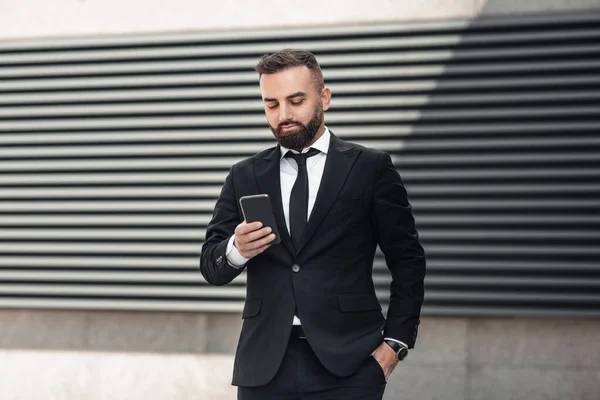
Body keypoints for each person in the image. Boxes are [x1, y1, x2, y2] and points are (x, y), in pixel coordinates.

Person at [200, 48, 426, 400]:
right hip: (264, 367)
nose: (283, 115)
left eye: (295, 100)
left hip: (351, 365)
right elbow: (211, 267)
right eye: (271, 104)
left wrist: (394, 345)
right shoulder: (244, 175)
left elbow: (408, 260)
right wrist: (235, 250)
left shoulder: (371, 168)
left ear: (324, 98)